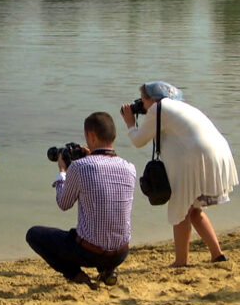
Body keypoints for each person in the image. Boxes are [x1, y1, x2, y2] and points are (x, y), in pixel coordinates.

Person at [120, 81, 239, 267]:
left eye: (142, 100)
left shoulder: (158, 109)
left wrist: (130, 123)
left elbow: (138, 140)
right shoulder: (181, 106)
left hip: (196, 158)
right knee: (194, 210)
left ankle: (181, 262)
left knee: (181, 210)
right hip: (219, 152)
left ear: (152, 99)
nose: (141, 105)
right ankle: (217, 254)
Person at [26, 112, 135, 288]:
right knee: (98, 225)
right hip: (120, 253)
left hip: (89, 253)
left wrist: (62, 171)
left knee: (34, 235)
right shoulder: (129, 168)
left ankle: (76, 275)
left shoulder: (79, 167)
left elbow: (63, 203)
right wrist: (90, 154)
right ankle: (108, 271)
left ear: (91, 136)